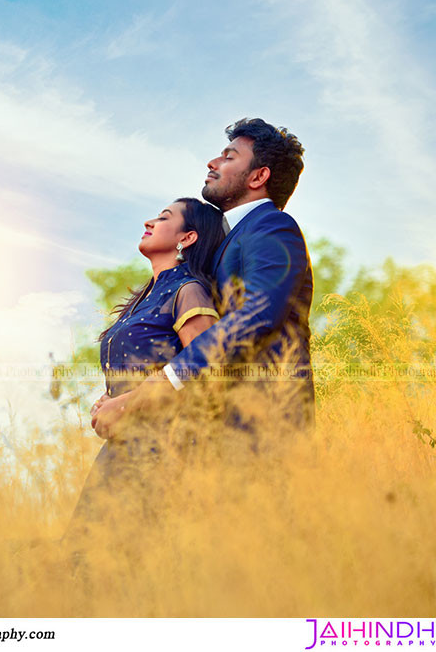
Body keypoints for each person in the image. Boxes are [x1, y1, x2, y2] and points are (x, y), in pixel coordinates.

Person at [91, 117, 314, 444]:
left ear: (258, 176)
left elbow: (258, 316)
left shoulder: (272, 226)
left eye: (229, 156)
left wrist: (157, 386)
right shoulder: (224, 243)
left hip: (265, 427)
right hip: (217, 436)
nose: (213, 163)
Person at [68, 197, 225, 529]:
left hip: (164, 450)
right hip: (122, 448)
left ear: (188, 237)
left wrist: (126, 404)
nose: (149, 223)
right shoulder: (144, 298)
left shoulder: (189, 290)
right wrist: (107, 401)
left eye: (164, 218)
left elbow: (204, 370)